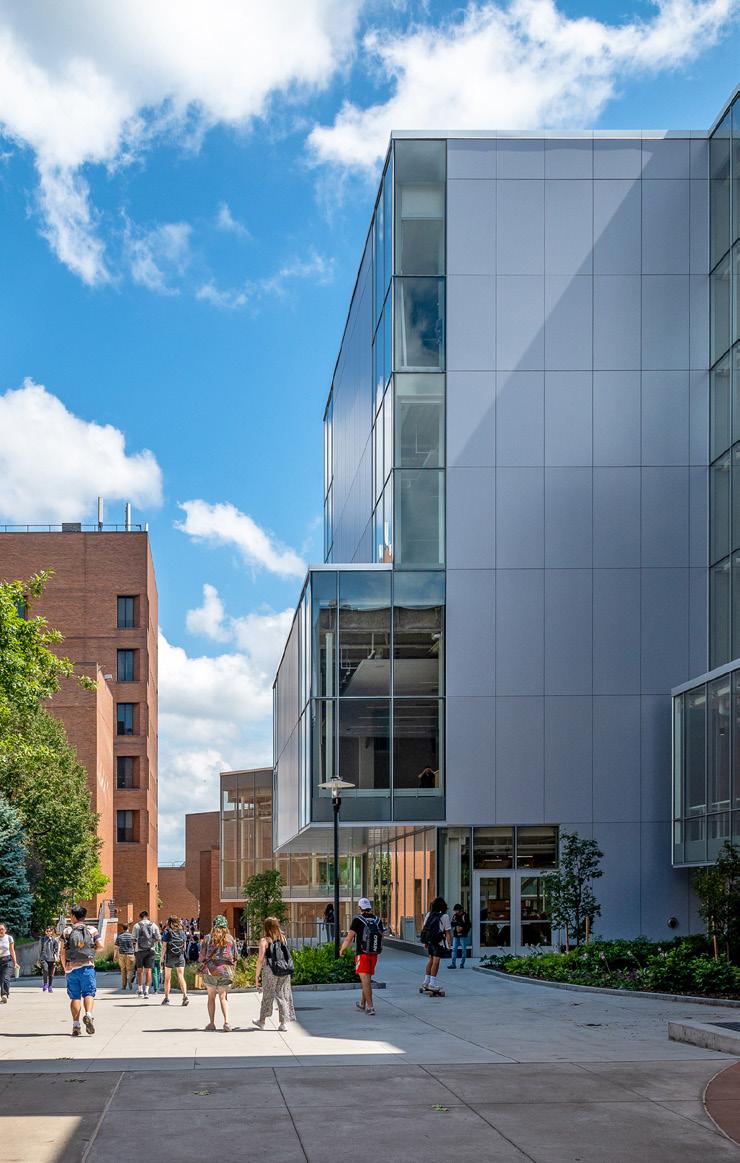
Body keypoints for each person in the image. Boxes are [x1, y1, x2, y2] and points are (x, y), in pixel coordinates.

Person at [60, 905, 102, 1036]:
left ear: (73, 916)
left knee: (75, 997)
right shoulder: (92, 930)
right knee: (89, 993)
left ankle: (76, 1025)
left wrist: (65, 968)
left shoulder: (67, 931)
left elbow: (62, 952)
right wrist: (91, 952)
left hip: (71, 969)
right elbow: (101, 946)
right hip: (87, 967)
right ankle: (88, 1014)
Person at [340, 897, 383, 1016]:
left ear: (360, 908)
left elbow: (349, 937)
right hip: (374, 954)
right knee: (367, 979)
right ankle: (362, 1003)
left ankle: (370, 1007)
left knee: (365, 980)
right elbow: (381, 936)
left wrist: (342, 949)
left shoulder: (357, 920)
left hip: (362, 954)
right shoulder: (377, 920)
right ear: (369, 907)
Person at [253, 916, 295, 1032]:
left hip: (270, 970)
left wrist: (257, 975)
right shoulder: (283, 938)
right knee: (282, 995)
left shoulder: (264, 941)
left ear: (266, 927)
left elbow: (260, 959)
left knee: (268, 995)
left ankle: (262, 1021)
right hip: (284, 970)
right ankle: (283, 1023)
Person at [199, 915, 239, 1032]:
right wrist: (233, 972)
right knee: (223, 997)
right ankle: (226, 1022)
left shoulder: (207, 938)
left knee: (211, 998)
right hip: (225, 971)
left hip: (210, 972)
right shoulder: (230, 939)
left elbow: (202, 956)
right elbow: (235, 957)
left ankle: (211, 1023)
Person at [420, 897, 452, 995]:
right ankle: (432, 983)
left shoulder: (429, 914)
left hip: (430, 941)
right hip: (438, 942)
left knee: (431, 960)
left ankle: (426, 982)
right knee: (436, 962)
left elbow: (425, 928)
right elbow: (447, 932)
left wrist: (425, 942)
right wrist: (449, 945)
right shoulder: (445, 916)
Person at [161, 916, 189, 1006]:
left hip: (170, 957)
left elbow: (164, 947)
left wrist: (161, 958)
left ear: (170, 923)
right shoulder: (182, 932)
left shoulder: (167, 932)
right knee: (181, 976)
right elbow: (184, 947)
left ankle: (166, 999)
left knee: (167, 978)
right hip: (180, 956)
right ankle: (185, 997)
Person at [131, 910, 160, 999]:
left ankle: (140, 990)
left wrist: (137, 943)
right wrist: (151, 942)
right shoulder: (154, 925)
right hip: (151, 950)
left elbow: (133, 939)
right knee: (149, 971)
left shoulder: (136, 925)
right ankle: (146, 991)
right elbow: (159, 938)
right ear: (148, 916)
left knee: (139, 970)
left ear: (140, 917)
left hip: (139, 950)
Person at [448, 903, 471, 969]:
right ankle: (453, 964)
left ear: (460, 910)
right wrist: (457, 925)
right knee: (454, 949)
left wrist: (462, 927)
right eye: (455, 910)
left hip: (463, 935)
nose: (455, 911)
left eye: (456, 910)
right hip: (456, 935)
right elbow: (452, 923)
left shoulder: (465, 915)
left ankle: (462, 964)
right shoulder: (455, 916)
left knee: (463, 949)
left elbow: (468, 925)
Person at [114, 924, 136, 991]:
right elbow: (135, 944)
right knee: (130, 970)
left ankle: (123, 986)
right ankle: (129, 980)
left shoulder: (119, 936)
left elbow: (116, 947)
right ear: (128, 928)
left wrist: (115, 956)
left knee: (123, 970)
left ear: (122, 928)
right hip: (130, 954)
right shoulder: (131, 936)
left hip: (122, 955)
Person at [0, 923, 18, 1003]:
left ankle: (4, 995)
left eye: (2, 929)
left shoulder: (9, 938)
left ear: (5, 930)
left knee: (5, 978)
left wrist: (15, 963)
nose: (0, 931)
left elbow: (12, 950)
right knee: (1, 979)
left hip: (7, 960)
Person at [40, 926, 60, 992]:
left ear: (51, 932)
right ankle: (45, 983)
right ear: (45, 932)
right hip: (44, 958)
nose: (48, 932)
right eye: (47, 931)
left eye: (49, 931)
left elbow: (56, 950)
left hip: (52, 959)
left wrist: (57, 957)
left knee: (51, 974)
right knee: (45, 970)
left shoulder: (54, 940)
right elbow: (39, 949)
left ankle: (50, 986)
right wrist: (38, 959)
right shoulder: (42, 940)